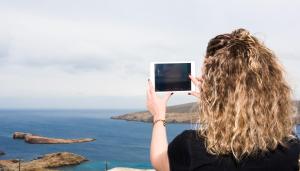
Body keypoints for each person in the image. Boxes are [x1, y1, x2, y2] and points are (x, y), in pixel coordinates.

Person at [147, 28, 300, 171]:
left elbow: (159, 161)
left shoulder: (191, 148)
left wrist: (159, 116)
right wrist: (215, 105)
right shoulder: (291, 148)